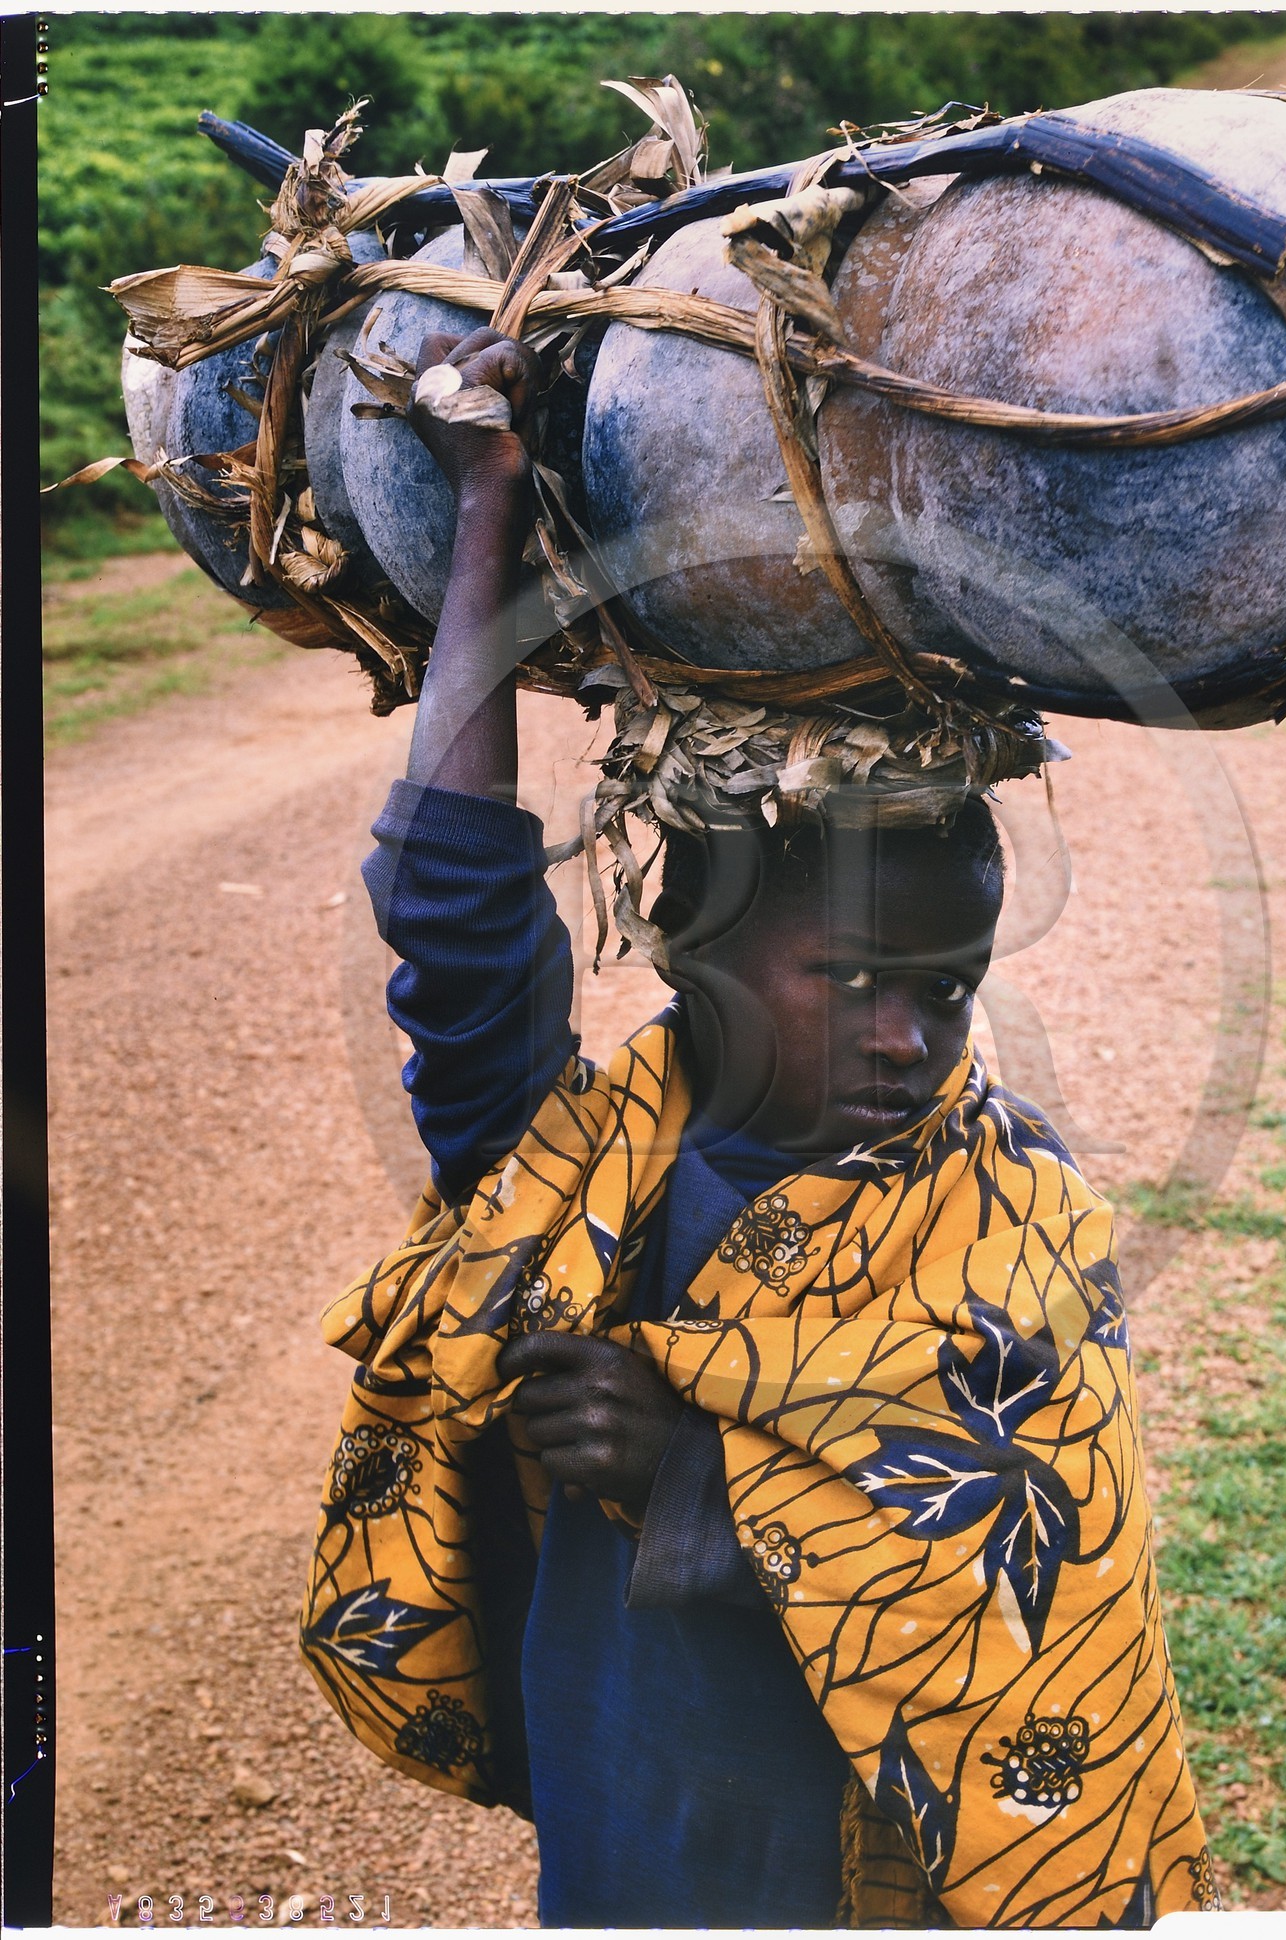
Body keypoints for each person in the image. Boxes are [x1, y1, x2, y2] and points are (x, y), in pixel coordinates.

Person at [302, 327, 1215, 1927]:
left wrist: (697, 1482)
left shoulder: (1013, 1214)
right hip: (619, 1830)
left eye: (945, 985)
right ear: (691, 941)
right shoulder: (571, 1170)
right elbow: (454, 913)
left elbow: (1037, 1571)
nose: (903, 1031)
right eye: (849, 974)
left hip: (862, 1873)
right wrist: (488, 525)